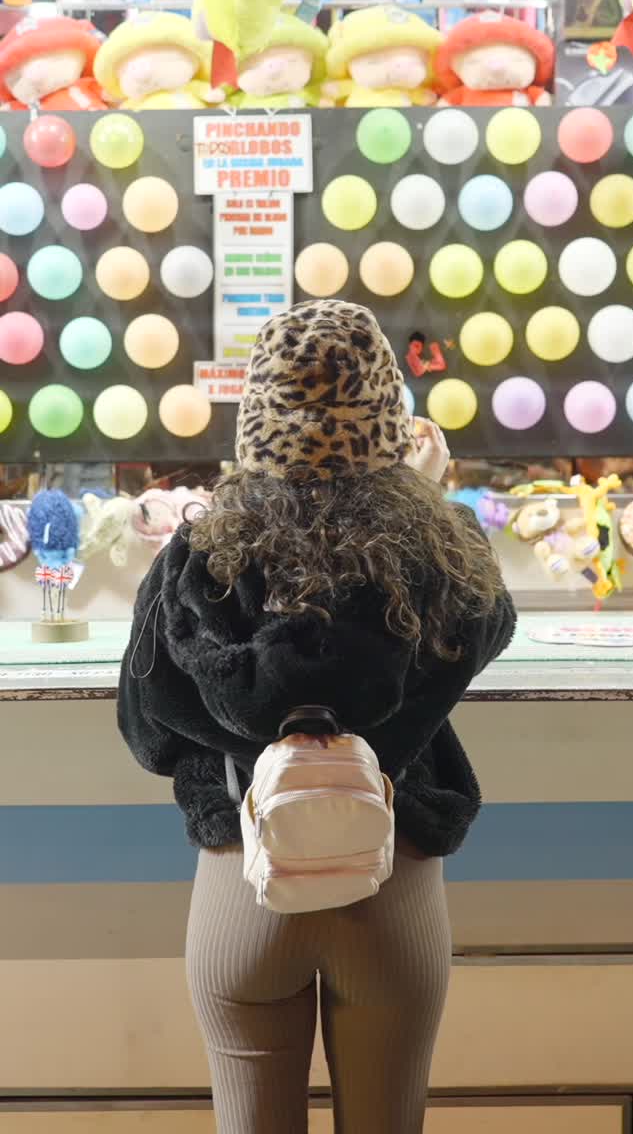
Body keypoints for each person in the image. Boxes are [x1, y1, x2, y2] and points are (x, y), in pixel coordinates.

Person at [117, 300, 516, 1134]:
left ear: (254, 417)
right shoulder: (439, 549)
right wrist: (424, 494)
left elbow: (149, 731)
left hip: (243, 885)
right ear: (390, 420)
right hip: (391, 886)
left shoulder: (198, 554)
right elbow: (486, 626)